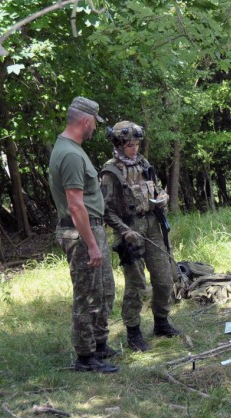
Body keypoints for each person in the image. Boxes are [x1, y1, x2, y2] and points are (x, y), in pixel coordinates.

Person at [49, 96, 119, 373]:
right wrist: (91, 244)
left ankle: (99, 345)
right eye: (94, 125)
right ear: (85, 121)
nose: (94, 130)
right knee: (87, 295)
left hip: (91, 228)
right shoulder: (69, 154)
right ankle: (86, 357)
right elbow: (75, 204)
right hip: (81, 233)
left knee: (103, 291)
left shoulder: (71, 149)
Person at [99, 120, 180, 350]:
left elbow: (156, 187)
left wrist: (162, 197)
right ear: (118, 144)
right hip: (129, 229)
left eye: (136, 144)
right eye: (129, 145)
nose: (134, 149)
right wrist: (125, 231)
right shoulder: (110, 171)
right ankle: (133, 332)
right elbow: (104, 209)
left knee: (164, 278)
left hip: (153, 224)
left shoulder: (143, 163)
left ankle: (161, 322)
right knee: (136, 284)